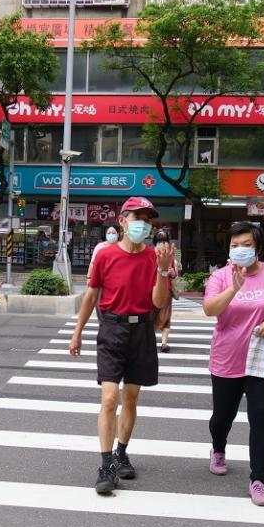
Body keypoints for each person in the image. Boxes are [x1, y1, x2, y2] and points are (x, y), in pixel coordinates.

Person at [69, 196, 174, 494]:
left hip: (141, 330)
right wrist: (77, 332)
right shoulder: (105, 255)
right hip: (112, 329)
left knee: (130, 399)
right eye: (136, 217)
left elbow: (158, 302)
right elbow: (91, 296)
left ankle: (122, 452)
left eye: (147, 218)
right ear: (122, 221)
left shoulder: (155, 256)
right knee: (108, 399)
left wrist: (164, 271)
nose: (143, 223)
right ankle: (106, 465)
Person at [202, 221, 264, 506]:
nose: (239, 250)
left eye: (246, 245)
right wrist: (234, 288)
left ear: (258, 248)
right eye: (234, 245)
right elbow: (209, 310)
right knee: (222, 418)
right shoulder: (220, 277)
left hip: (263, 361)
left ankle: (258, 479)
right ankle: (218, 448)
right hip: (227, 358)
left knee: (261, 420)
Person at [153, 229, 180, 353]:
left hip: (167, 291)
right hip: (151, 292)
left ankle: (164, 343)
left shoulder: (172, 258)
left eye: (165, 242)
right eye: (160, 242)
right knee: (150, 317)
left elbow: (176, 276)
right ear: (155, 244)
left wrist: (173, 274)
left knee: (166, 317)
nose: (163, 245)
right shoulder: (149, 257)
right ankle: (149, 340)